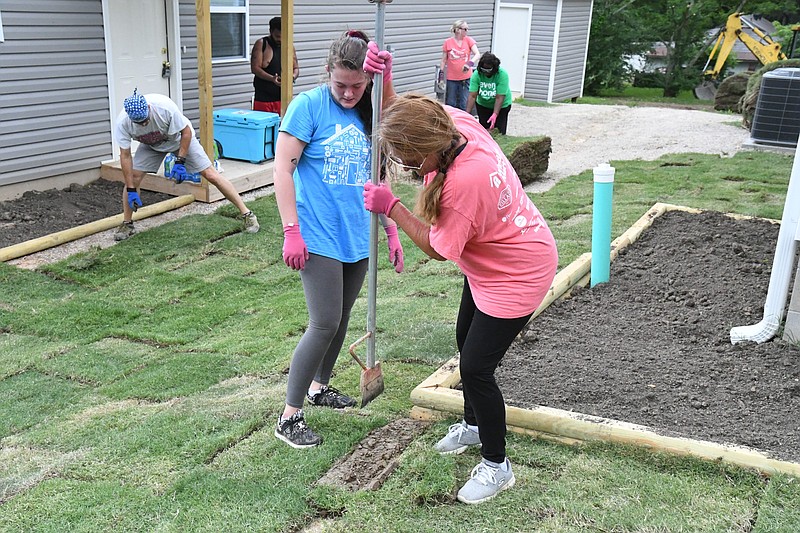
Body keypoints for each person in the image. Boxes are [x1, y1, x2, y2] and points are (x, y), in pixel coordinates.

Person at [363, 50, 558, 505]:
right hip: (492, 265)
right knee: (463, 335)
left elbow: (435, 248)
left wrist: (390, 205)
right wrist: (384, 78)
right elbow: (399, 118)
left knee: (476, 367)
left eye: (405, 157)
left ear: (425, 150)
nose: (404, 164)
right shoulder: (453, 124)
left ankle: (497, 465)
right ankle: (472, 425)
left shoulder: (464, 183)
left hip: (518, 273)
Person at [272, 30, 404, 449]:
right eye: (340, 85)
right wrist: (291, 230)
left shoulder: (370, 107)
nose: (348, 93)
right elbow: (282, 170)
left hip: (357, 234)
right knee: (324, 322)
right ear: (327, 73)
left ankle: (318, 386)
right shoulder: (309, 106)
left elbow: (382, 159)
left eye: (357, 85)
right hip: (318, 234)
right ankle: (289, 416)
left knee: (342, 319)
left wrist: (390, 226)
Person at [112, 89, 259, 241]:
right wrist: (131, 189)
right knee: (134, 177)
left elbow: (186, 132)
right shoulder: (123, 123)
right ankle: (127, 224)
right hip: (151, 145)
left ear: (148, 108)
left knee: (210, 174)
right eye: (139, 123)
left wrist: (180, 161)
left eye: (145, 120)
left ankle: (247, 214)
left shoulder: (164, 108)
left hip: (178, 139)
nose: (143, 124)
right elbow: (125, 156)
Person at [251, 16, 300, 114]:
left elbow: (296, 68)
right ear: (271, 31)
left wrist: (292, 76)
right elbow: (255, 68)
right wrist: (272, 78)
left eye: (283, 36)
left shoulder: (289, 46)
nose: (280, 39)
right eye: (277, 36)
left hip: (283, 97)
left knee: (283, 126)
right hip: (264, 98)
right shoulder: (262, 43)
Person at [466, 52, 513, 135]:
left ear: (494, 68)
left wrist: (495, 114)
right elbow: (472, 96)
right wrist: (467, 114)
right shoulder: (477, 74)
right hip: (483, 105)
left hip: (502, 106)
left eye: (488, 70)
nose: (486, 72)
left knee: (499, 132)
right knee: (484, 132)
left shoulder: (502, 75)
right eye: (483, 69)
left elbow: (499, 97)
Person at [440, 20, 480, 111]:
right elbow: (443, 60)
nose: (467, 31)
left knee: (464, 102)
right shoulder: (448, 42)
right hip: (452, 78)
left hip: (465, 77)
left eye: (467, 29)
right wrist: (441, 77)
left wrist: (469, 64)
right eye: (465, 29)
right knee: (451, 103)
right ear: (458, 30)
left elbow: (477, 54)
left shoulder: (469, 40)